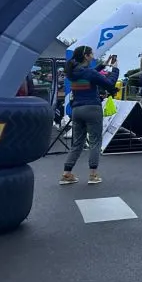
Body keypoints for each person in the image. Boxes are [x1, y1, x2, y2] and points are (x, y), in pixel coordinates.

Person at [59, 47, 120, 185]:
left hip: (77, 110)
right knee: (95, 142)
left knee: (77, 143)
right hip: (92, 108)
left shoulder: (73, 72)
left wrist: (103, 65)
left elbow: (89, 74)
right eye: (91, 53)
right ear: (86, 56)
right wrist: (115, 69)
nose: (93, 55)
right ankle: (93, 175)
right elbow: (109, 83)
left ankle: (66, 174)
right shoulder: (89, 73)